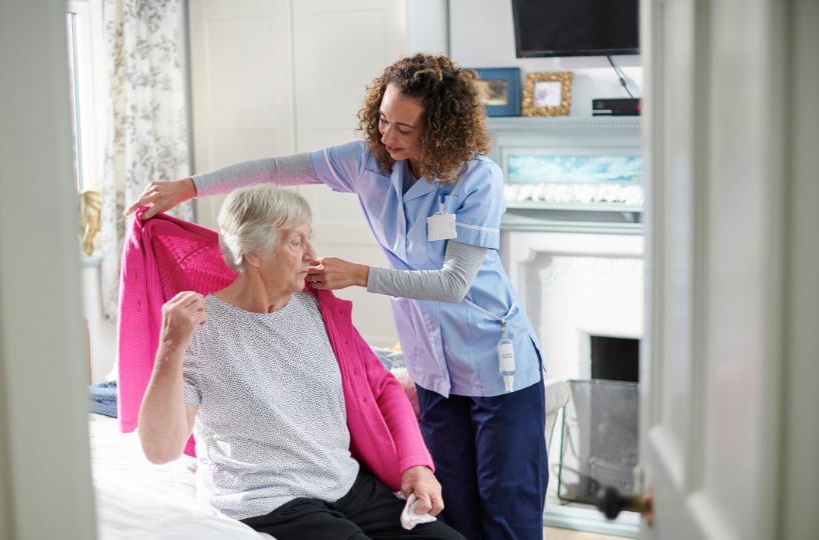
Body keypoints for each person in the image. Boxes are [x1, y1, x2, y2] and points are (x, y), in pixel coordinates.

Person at [128, 53, 547, 540]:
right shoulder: (368, 161)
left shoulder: (477, 179)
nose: (388, 137)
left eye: (404, 129)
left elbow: (454, 283)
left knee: (507, 503)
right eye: (383, 120)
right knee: (453, 500)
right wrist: (188, 187)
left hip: (494, 358)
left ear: (440, 130)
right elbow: (276, 169)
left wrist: (359, 275)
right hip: (432, 362)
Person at [138, 184, 464, 540]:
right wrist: (170, 345)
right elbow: (160, 450)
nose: (312, 254)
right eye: (297, 242)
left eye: (309, 239)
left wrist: (417, 465)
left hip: (342, 483)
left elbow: (383, 387)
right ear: (254, 253)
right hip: (265, 499)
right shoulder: (199, 329)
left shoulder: (318, 309)